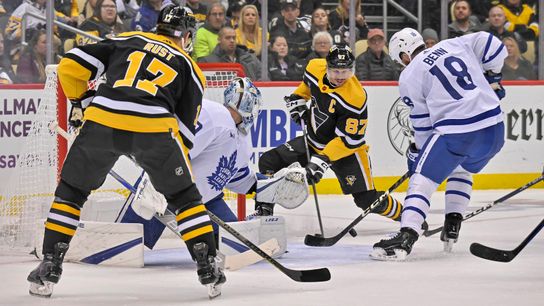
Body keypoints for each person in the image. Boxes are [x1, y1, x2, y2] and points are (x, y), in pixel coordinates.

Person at [26, 5, 225, 298]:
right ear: (186, 35)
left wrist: (80, 100)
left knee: (71, 192)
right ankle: (207, 264)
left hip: (102, 120)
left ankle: (50, 265)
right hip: (156, 130)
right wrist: (171, 177)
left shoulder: (128, 38)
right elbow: (184, 133)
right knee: (185, 200)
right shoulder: (190, 67)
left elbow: (69, 65)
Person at [371, 29, 507, 261]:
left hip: (459, 131)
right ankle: (453, 222)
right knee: (461, 168)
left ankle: (406, 235)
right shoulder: (455, 43)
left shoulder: (409, 74)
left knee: (423, 178)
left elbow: (422, 124)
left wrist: (420, 155)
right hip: (495, 128)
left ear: (404, 56)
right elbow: (494, 45)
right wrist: (492, 77)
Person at [252, 44, 405, 224]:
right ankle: (264, 212)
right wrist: (298, 100)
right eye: (335, 71)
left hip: (347, 151)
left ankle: (406, 216)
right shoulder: (314, 68)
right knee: (269, 161)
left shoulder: (355, 97)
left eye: (346, 72)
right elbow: (305, 88)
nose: (340, 77)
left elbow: (348, 140)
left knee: (367, 200)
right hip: (313, 141)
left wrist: (321, 160)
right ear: (326, 66)